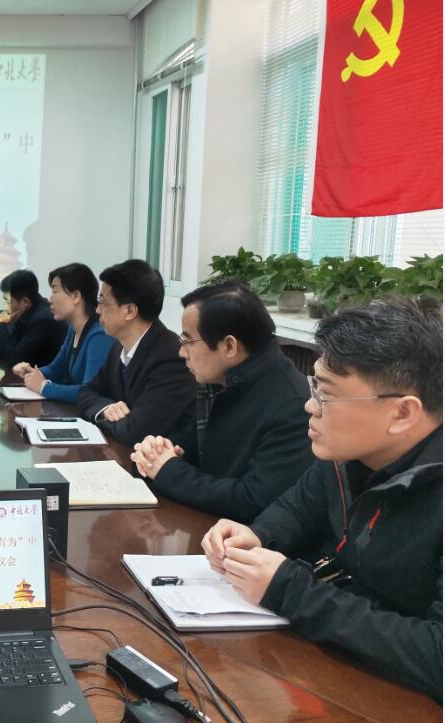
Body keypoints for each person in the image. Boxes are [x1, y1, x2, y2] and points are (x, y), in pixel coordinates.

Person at [201, 299, 442, 702]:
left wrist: (289, 590)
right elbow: (297, 509)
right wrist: (255, 536)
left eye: (326, 394)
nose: (309, 406)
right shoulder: (349, 455)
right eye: (314, 386)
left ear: (402, 413)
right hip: (339, 670)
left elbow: (438, 656)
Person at [130, 282, 313, 522]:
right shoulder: (220, 379)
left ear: (229, 346)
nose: (181, 352)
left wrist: (167, 470)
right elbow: (188, 446)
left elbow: (254, 500)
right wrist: (154, 453)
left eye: (187, 341)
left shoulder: (292, 404)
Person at [77, 259, 196, 448]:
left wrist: (106, 417)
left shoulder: (171, 356)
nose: (97, 310)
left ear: (130, 310)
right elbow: (86, 392)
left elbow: (136, 432)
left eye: (103, 302)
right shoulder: (119, 347)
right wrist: (106, 408)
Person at [11, 263, 113, 403]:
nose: (49, 300)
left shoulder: (99, 335)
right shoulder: (73, 329)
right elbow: (55, 369)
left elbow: (90, 392)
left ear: (76, 296)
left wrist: (44, 387)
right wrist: (31, 373)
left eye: (55, 291)